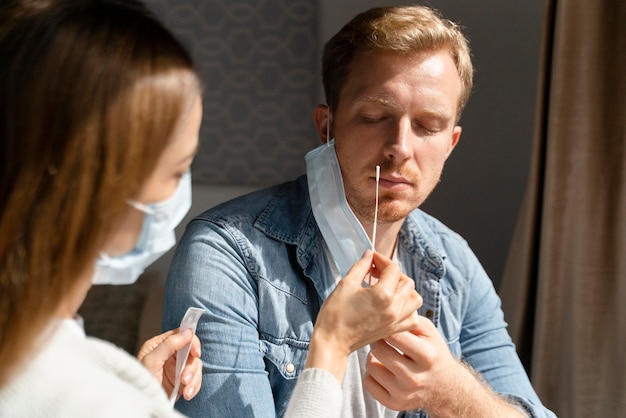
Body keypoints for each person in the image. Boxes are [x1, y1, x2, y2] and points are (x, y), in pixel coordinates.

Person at [163, 5, 556, 418]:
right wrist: (332, 344)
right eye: (375, 117)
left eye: (428, 126)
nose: (401, 147)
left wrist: (445, 389)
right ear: (326, 127)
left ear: (451, 144)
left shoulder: (453, 264)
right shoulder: (227, 255)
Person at [0, 0, 204, 416]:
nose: (179, 192)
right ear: (100, 190)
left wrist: (135, 389)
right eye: (177, 170)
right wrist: (327, 353)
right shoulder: (86, 395)